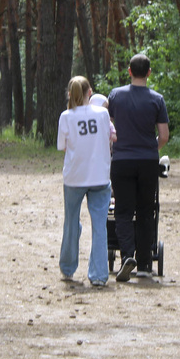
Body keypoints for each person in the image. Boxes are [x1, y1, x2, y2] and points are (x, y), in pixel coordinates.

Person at [107, 53, 169, 282]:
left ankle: (126, 256)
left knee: (123, 210)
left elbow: (108, 123)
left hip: (122, 159)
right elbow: (164, 135)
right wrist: (152, 146)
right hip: (147, 161)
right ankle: (144, 263)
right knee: (145, 210)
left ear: (129, 71)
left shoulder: (116, 95)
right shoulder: (157, 99)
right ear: (149, 72)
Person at [57, 76, 117, 288]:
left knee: (71, 221)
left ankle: (67, 267)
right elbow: (110, 137)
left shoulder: (66, 117)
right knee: (100, 225)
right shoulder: (102, 114)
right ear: (89, 93)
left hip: (74, 177)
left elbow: (62, 146)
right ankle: (99, 275)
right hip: (100, 176)